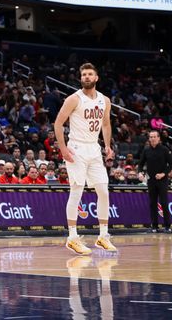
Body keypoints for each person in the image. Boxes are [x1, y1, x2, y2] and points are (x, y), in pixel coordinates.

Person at [54, 62, 116, 255]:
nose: (87, 77)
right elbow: (57, 123)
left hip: (94, 149)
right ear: (81, 79)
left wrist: (107, 146)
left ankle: (102, 236)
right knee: (77, 191)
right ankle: (72, 238)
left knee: (103, 192)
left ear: (96, 77)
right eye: (84, 75)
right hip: (76, 148)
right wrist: (63, 148)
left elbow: (105, 124)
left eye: (90, 74)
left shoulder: (105, 100)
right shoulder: (74, 99)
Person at [139, 130, 172, 232]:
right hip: (151, 181)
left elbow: (171, 164)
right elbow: (141, 164)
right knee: (152, 203)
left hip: (162, 181)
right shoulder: (146, 150)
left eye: (154, 137)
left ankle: (167, 226)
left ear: (159, 138)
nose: (152, 139)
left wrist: (163, 174)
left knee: (164, 202)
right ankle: (154, 226)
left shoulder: (164, 150)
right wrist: (141, 172)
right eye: (151, 137)